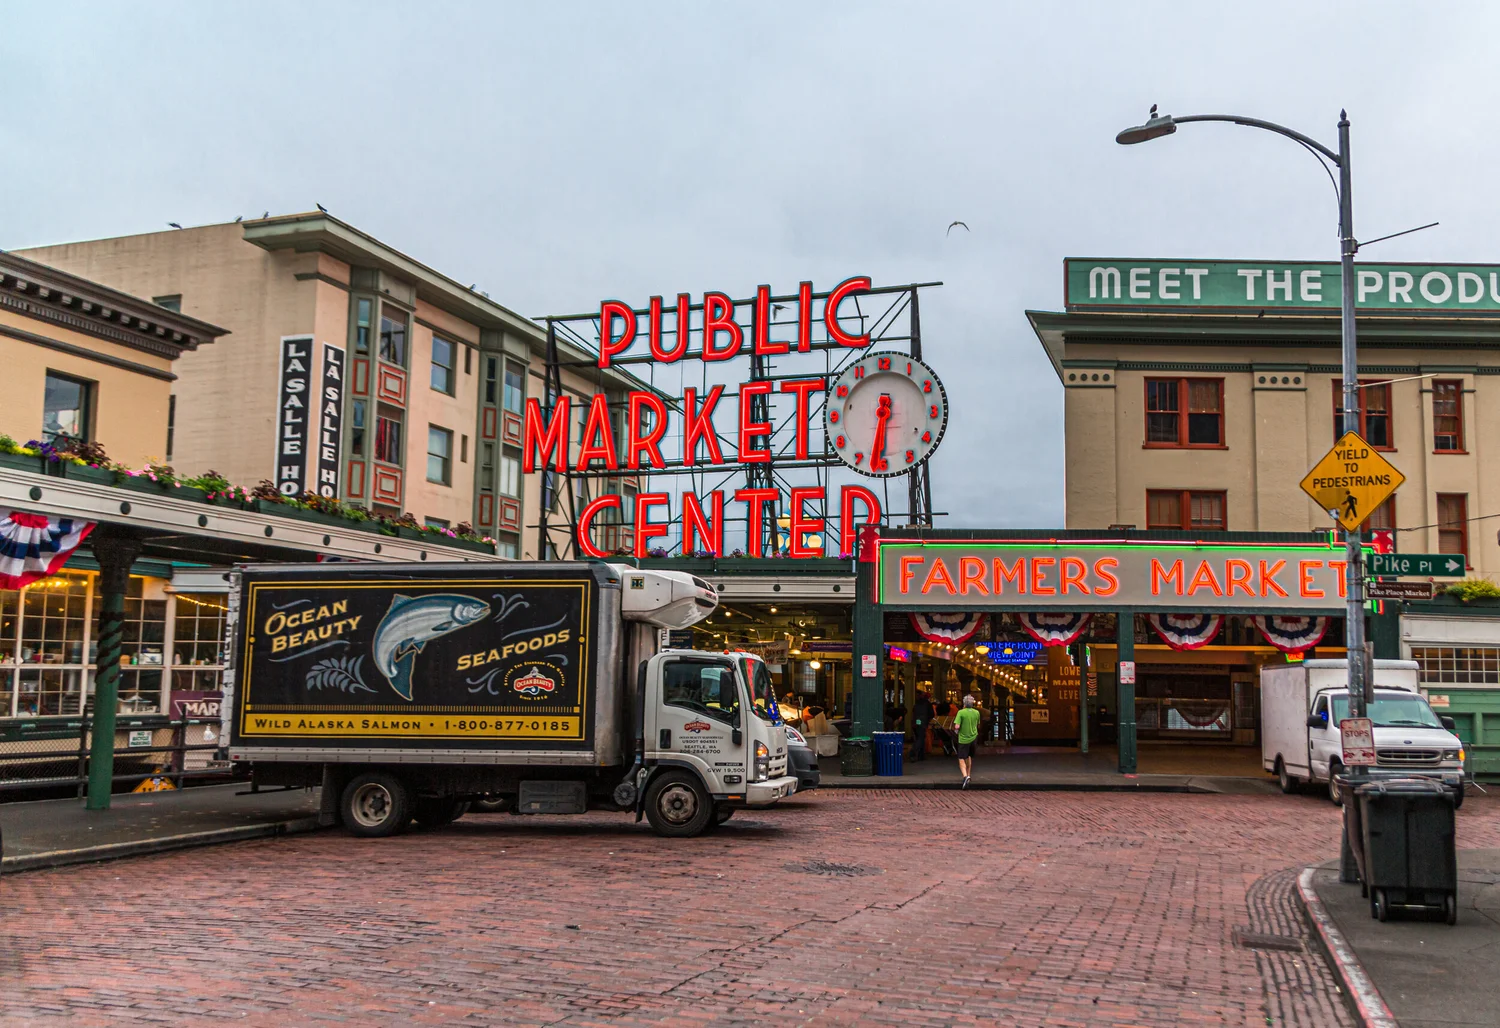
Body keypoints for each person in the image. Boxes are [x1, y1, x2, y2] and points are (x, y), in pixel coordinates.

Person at [953, 694, 981, 788]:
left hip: (963, 739)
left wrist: (956, 730)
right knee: (969, 756)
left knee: (961, 758)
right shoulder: (977, 712)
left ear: (964, 703)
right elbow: (978, 724)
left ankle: (965, 777)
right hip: (974, 738)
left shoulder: (961, 712)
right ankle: (969, 775)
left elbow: (957, 726)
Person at [911, 690, 934, 762]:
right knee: (921, 738)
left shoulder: (917, 704)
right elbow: (931, 714)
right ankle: (913, 752)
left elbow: (913, 711)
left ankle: (921, 755)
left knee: (919, 737)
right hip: (923, 722)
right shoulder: (927, 704)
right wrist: (928, 720)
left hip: (916, 722)